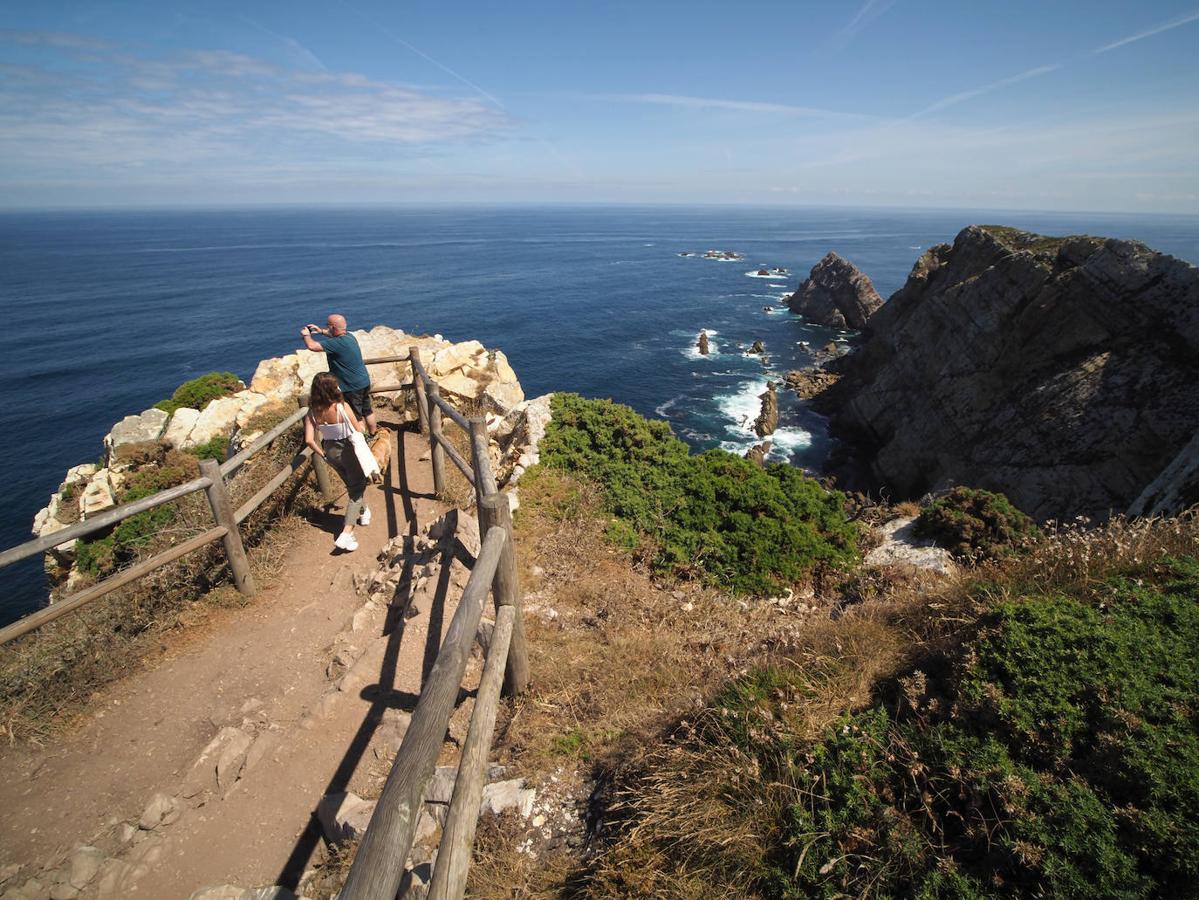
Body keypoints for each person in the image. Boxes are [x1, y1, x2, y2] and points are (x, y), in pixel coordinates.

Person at [303, 372, 372, 552]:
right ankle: (346, 533)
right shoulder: (341, 407)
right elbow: (358, 430)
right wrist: (363, 429)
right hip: (349, 450)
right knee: (357, 490)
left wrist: (323, 454)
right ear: (331, 389)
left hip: (330, 452)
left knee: (351, 484)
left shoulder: (312, 412)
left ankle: (363, 513)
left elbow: (309, 440)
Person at [301, 314, 379, 436]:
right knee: (367, 411)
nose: (327, 328)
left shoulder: (336, 344)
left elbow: (312, 346)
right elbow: (334, 334)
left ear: (332, 327)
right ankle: (374, 435)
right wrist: (321, 331)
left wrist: (306, 335)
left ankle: (363, 441)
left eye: (328, 326)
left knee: (356, 416)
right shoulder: (349, 337)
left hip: (351, 386)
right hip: (363, 381)